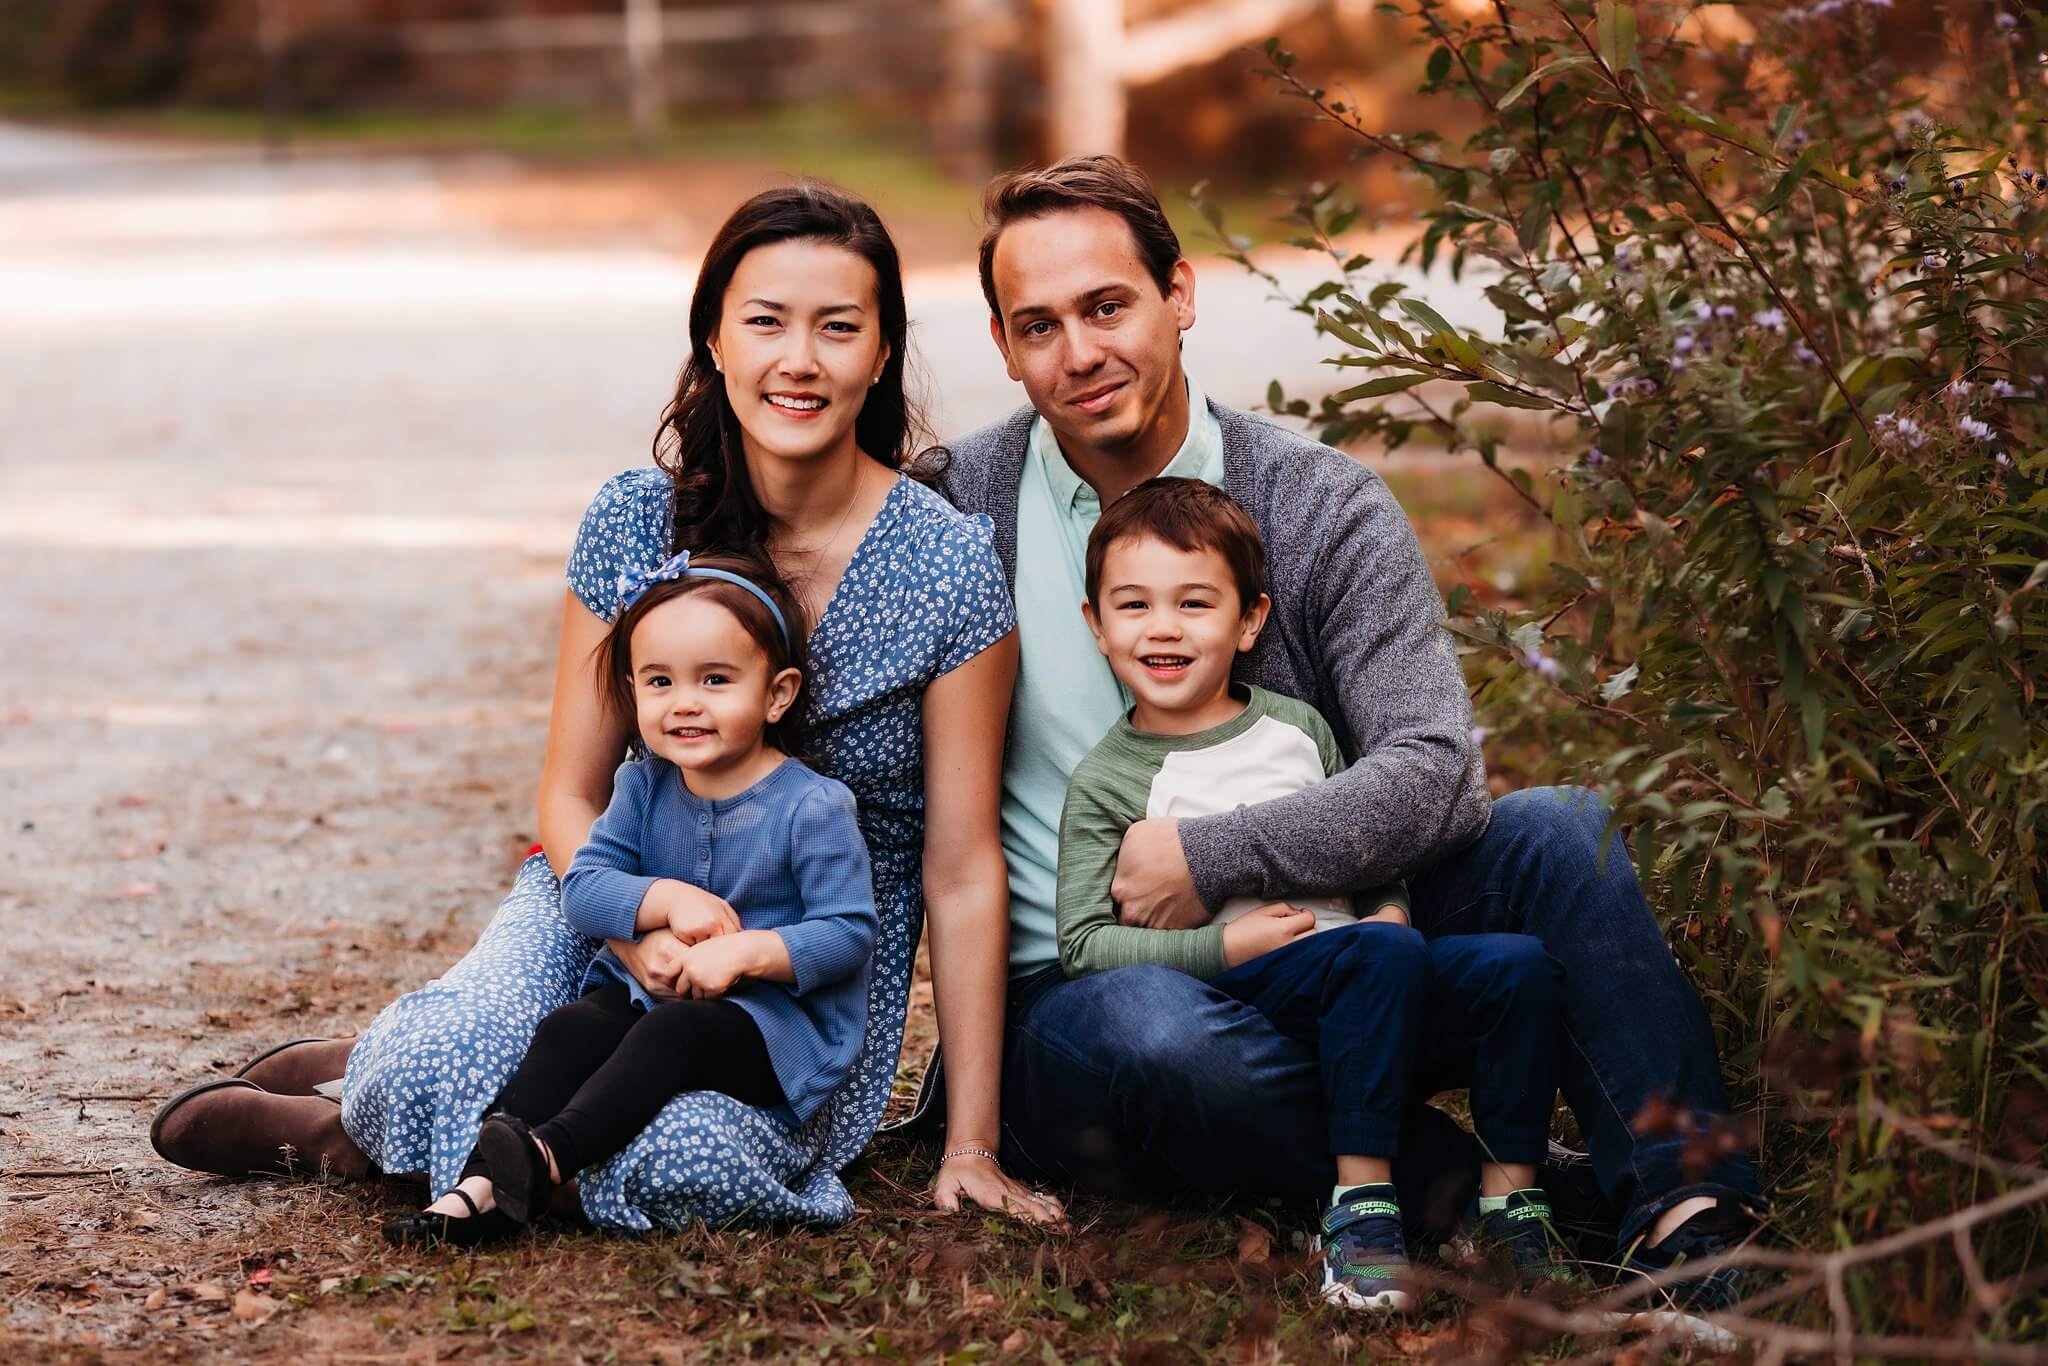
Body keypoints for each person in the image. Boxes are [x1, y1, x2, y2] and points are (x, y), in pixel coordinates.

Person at [927, 154, 1762, 1306]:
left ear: (1178, 291)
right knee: (1159, 1036)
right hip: (1091, 992)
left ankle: (1687, 1214)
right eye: (1038, 325)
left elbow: (1433, 776)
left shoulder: (1317, 503)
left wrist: (1207, 858)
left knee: (1558, 833)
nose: (1078, 353)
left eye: (1106, 305)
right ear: (1002, 343)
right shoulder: (958, 504)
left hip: (1335, 943)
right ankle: (1473, 1183)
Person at [151, 181, 1064, 1230]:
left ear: (882, 350)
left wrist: (971, 1144)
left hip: (793, 975)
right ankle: (363, 1101)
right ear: (713, 339)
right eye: (764, 321)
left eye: (837, 328)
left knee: (688, 1159)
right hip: (610, 891)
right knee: (433, 1063)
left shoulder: (946, 562)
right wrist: (634, 935)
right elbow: (569, 794)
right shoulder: (636, 522)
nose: (798, 360)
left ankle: (413, 1126)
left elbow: (958, 865)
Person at [1055, 477, 1569, 1309]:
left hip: (1371, 969)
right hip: (1249, 997)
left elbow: (1369, 853)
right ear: (1095, 625)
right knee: (1377, 955)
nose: (1163, 628)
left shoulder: (1300, 729)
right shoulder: (1109, 781)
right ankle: (1362, 1211)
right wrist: (1225, 946)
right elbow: (1083, 946)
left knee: (1518, 967)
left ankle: (1509, 1202)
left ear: (1250, 620)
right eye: (1134, 605)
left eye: (1194, 603)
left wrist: (1394, 912)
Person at [384, 550, 879, 1245]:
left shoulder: (812, 807)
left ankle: (547, 1155)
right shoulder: (643, 788)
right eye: (659, 680)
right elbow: (583, 890)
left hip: (772, 1031)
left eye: (715, 679)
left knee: (673, 1034)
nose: (684, 701)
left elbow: (848, 932)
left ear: (777, 693)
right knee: (571, 1029)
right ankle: (478, 1190)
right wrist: (662, 901)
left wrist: (747, 954)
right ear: (632, 691)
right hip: (653, 995)